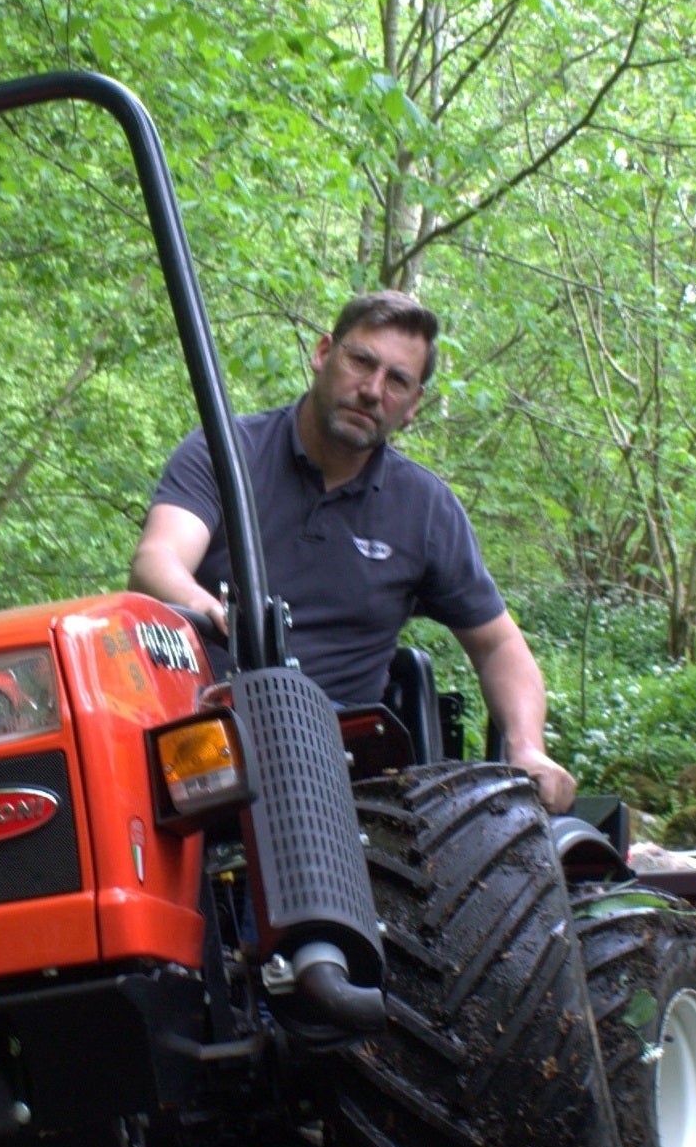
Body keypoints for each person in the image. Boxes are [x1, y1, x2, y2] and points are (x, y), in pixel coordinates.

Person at [128, 289, 576, 813]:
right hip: (198, 734)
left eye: (397, 381)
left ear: (412, 407)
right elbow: (157, 560)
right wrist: (210, 609)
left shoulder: (425, 509)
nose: (371, 390)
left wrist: (528, 748)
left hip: (336, 762)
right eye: (361, 361)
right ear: (323, 354)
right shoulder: (225, 451)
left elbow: (499, 645)